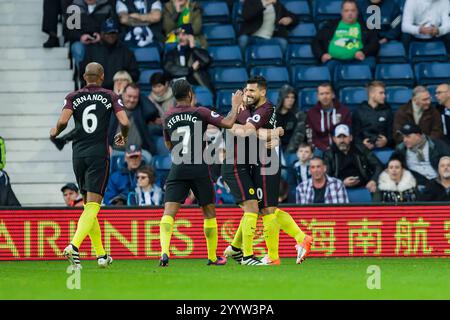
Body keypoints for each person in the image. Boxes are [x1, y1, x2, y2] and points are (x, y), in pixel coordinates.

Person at [222, 76, 312, 266]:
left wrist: (272, 132)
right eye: (246, 90)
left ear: (263, 92)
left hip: (266, 162)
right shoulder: (251, 108)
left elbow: (246, 130)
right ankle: (238, 247)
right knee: (256, 208)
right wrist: (275, 132)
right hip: (257, 162)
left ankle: (275, 254)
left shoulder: (265, 108)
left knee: (266, 210)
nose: (248, 94)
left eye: (252, 91)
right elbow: (255, 131)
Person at [49, 62, 130, 269]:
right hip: (98, 154)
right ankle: (74, 246)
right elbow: (125, 122)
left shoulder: (73, 96)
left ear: (84, 77)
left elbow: (63, 122)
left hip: (78, 155)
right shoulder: (110, 95)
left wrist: (55, 132)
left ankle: (101, 255)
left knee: (88, 207)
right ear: (102, 76)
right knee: (93, 206)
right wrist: (122, 137)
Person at [159, 79, 242, 267]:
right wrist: (235, 105)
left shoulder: (167, 115)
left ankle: (164, 252)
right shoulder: (200, 112)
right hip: (198, 168)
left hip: (178, 167)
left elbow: (167, 144)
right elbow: (228, 122)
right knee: (209, 211)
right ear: (190, 94)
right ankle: (212, 257)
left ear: (173, 95)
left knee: (169, 211)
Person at [312, 0, 379, 76]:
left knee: (371, 63)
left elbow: (375, 43)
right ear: (342, 12)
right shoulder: (330, 25)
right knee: (329, 67)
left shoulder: (366, 26)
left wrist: (363, 52)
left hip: (358, 60)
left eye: (353, 10)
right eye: (346, 10)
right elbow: (316, 41)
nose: (350, 13)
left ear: (357, 12)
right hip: (335, 61)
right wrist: (321, 55)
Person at [80, 18, 140, 90]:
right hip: (96, 91)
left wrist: (123, 79)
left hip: (118, 92)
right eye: (108, 33)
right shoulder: (91, 50)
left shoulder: (125, 51)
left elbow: (135, 74)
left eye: (113, 33)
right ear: (101, 33)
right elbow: (83, 72)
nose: (111, 35)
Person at [323, 124, 383, 193]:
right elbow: (326, 176)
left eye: (345, 137)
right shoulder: (329, 154)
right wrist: (342, 182)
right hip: (339, 189)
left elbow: (378, 165)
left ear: (351, 138)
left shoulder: (361, 149)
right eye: (339, 137)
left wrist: (373, 181)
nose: (342, 140)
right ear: (334, 139)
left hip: (365, 186)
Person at [108, 83, 159, 157]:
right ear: (123, 95)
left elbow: (152, 111)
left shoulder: (141, 110)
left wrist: (139, 94)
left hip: (138, 152)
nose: (132, 100)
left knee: (148, 156)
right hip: (116, 151)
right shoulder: (114, 109)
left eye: (135, 97)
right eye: (129, 96)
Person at [163, 24, 214, 94]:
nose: (180, 37)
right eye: (178, 35)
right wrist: (191, 69)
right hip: (176, 86)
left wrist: (193, 47)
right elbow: (170, 68)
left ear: (191, 37)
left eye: (183, 34)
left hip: (195, 87)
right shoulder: (171, 53)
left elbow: (207, 60)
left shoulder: (197, 52)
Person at [66, 0, 114, 70]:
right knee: (77, 48)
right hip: (80, 41)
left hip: (101, 41)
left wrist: (101, 36)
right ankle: (82, 76)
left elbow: (112, 26)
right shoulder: (74, 7)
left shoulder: (107, 7)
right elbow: (68, 29)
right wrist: (80, 37)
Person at [306, 83, 352, 152]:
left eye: (327, 93)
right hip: (319, 149)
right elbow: (311, 137)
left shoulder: (344, 111)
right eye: (322, 94)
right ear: (317, 96)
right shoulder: (312, 113)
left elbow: (349, 133)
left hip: (340, 147)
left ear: (333, 95)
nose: (325, 97)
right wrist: (324, 148)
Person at [352, 81, 394, 150]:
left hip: (384, 148)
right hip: (364, 151)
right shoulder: (359, 111)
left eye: (384, 93)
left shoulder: (387, 110)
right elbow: (355, 135)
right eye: (381, 93)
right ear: (371, 94)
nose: (384, 96)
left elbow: (392, 133)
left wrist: (386, 141)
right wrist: (362, 144)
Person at [275, 85, 306, 153]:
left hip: (293, 150)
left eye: (292, 97)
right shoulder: (272, 115)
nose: (290, 100)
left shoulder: (299, 115)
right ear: (281, 98)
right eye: (287, 97)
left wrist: (288, 152)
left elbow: (299, 136)